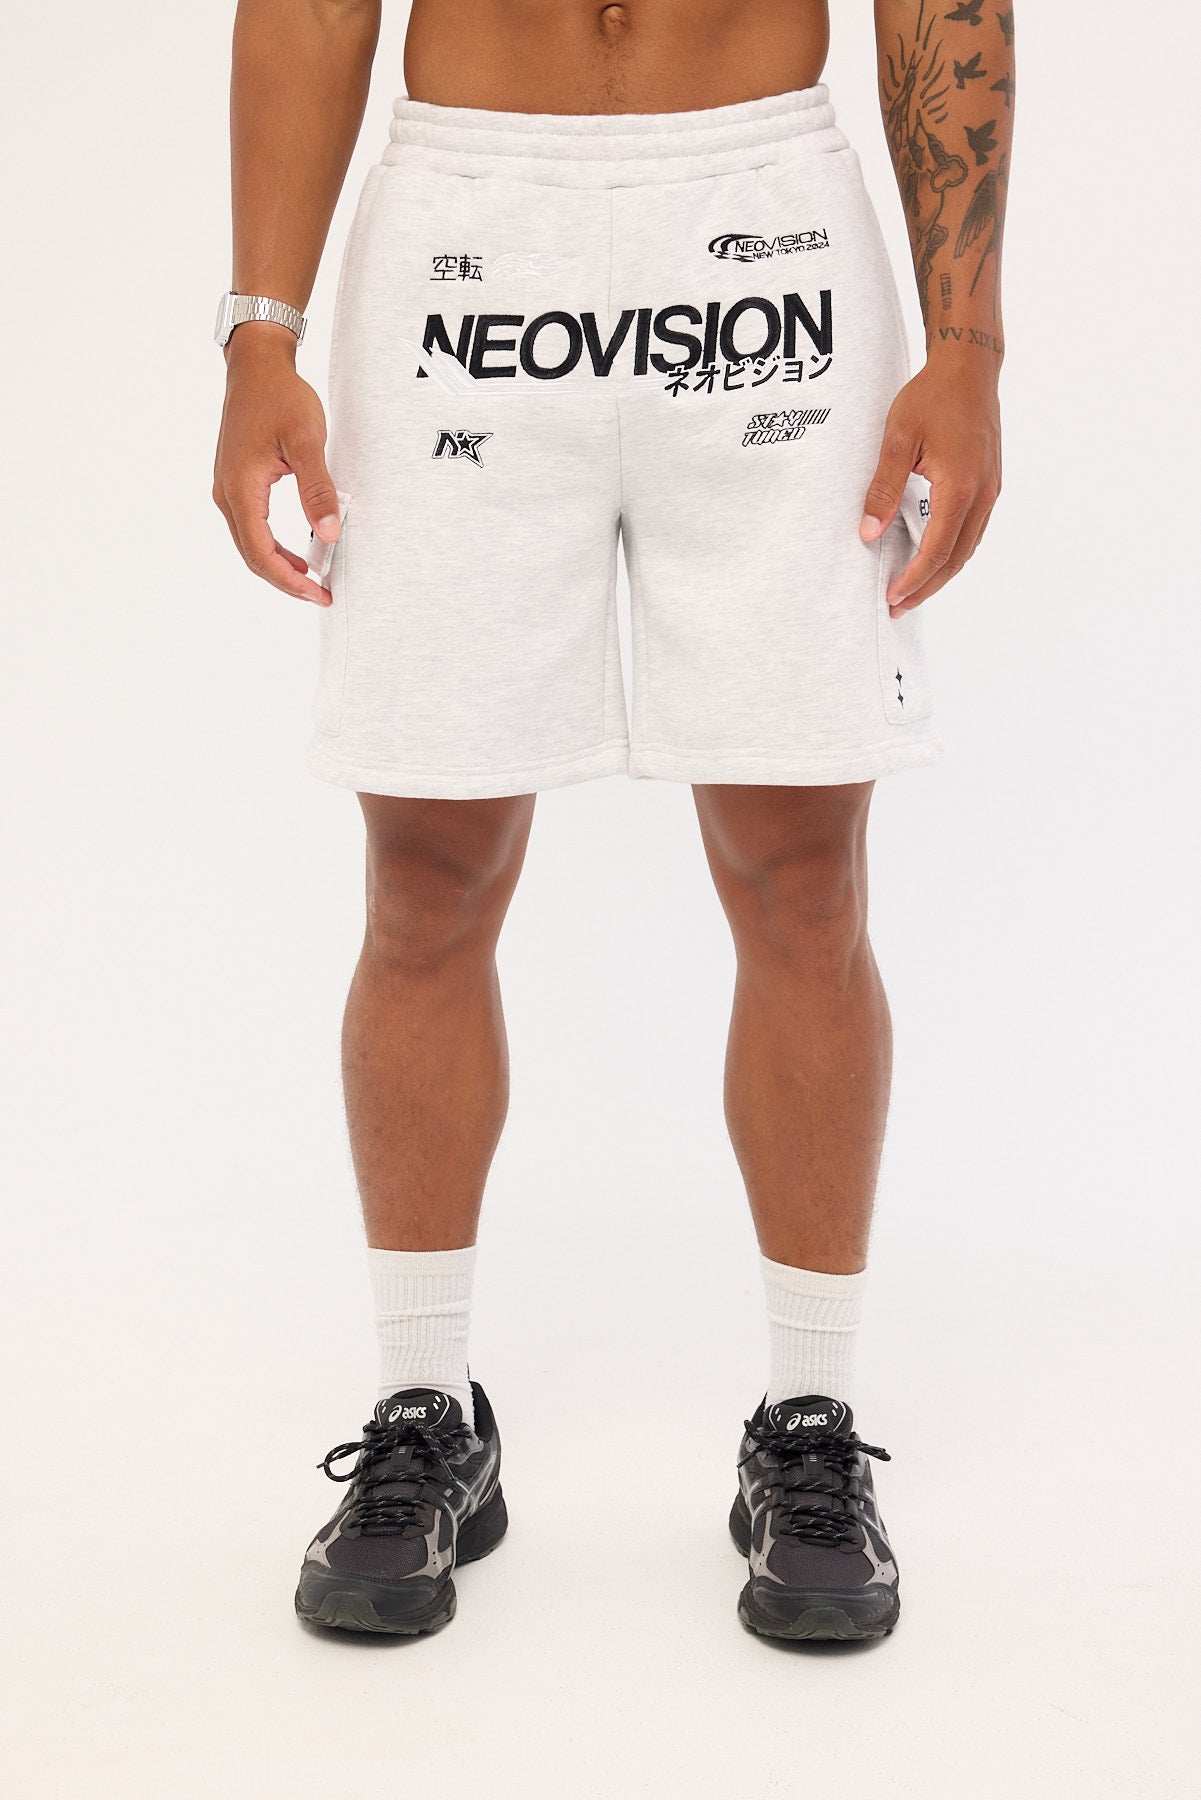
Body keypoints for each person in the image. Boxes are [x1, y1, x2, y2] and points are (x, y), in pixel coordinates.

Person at [212, 0, 1011, 1643]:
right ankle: (426, 1411)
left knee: (802, 881)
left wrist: (968, 345)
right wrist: (257, 335)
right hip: (466, 243)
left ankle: (807, 1422)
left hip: (767, 236)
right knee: (425, 880)